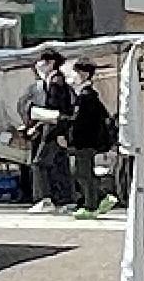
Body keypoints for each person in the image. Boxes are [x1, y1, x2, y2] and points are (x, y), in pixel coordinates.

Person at [23, 66, 82, 210]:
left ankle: (44, 199)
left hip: (53, 129)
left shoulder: (56, 82)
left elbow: (55, 110)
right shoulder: (56, 83)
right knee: (59, 164)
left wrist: (57, 131)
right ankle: (66, 198)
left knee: (39, 163)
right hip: (57, 128)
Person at [67, 61, 120, 213]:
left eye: (75, 72)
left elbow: (81, 122)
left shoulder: (87, 96)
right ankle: (95, 199)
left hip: (85, 142)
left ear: (84, 74)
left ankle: (92, 203)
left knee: (84, 173)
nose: (73, 76)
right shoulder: (86, 95)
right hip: (86, 142)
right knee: (81, 172)